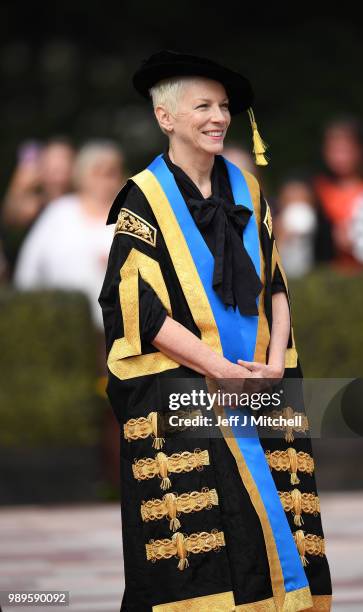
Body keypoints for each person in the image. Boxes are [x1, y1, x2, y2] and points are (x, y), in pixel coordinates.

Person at [98, 50, 332, 611]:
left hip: (260, 385)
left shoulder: (248, 190)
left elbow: (275, 284)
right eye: (202, 105)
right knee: (219, 536)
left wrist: (273, 364)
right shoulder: (143, 201)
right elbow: (138, 310)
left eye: (223, 106)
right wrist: (220, 371)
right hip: (192, 392)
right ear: (166, 118)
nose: (218, 117)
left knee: (281, 525)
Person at [14, 140, 124, 332]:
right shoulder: (59, 212)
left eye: (111, 173)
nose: (104, 181)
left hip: (117, 330)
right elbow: (29, 267)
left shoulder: (129, 216)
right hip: (58, 324)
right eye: (97, 172)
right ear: (82, 175)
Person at [313, 116, 363, 272]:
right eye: (333, 150)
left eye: (346, 150)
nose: (339, 157)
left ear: (359, 151)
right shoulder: (317, 190)